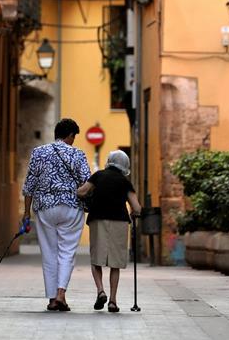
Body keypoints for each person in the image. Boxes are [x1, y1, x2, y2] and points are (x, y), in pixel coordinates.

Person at [21, 118, 91, 311]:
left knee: (49, 253)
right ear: (70, 135)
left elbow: (29, 186)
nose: (74, 141)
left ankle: (52, 299)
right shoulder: (78, 154)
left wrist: (26, 212)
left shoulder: (38, 152)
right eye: (74, 137)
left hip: (45, 208)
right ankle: (61, 293)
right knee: (67, 252)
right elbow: (87, 183)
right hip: (71, 207)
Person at [76, 150, 141, 313]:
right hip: (119, 221)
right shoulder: (125, 182)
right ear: (125, 166)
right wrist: (135, 213)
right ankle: (113, 300)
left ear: (109, 162)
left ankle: (100, 291)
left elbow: (81, 192)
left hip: (98, 219)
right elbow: (137, 207)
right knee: (115, 263)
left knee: (96, 259)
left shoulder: (98, 176)